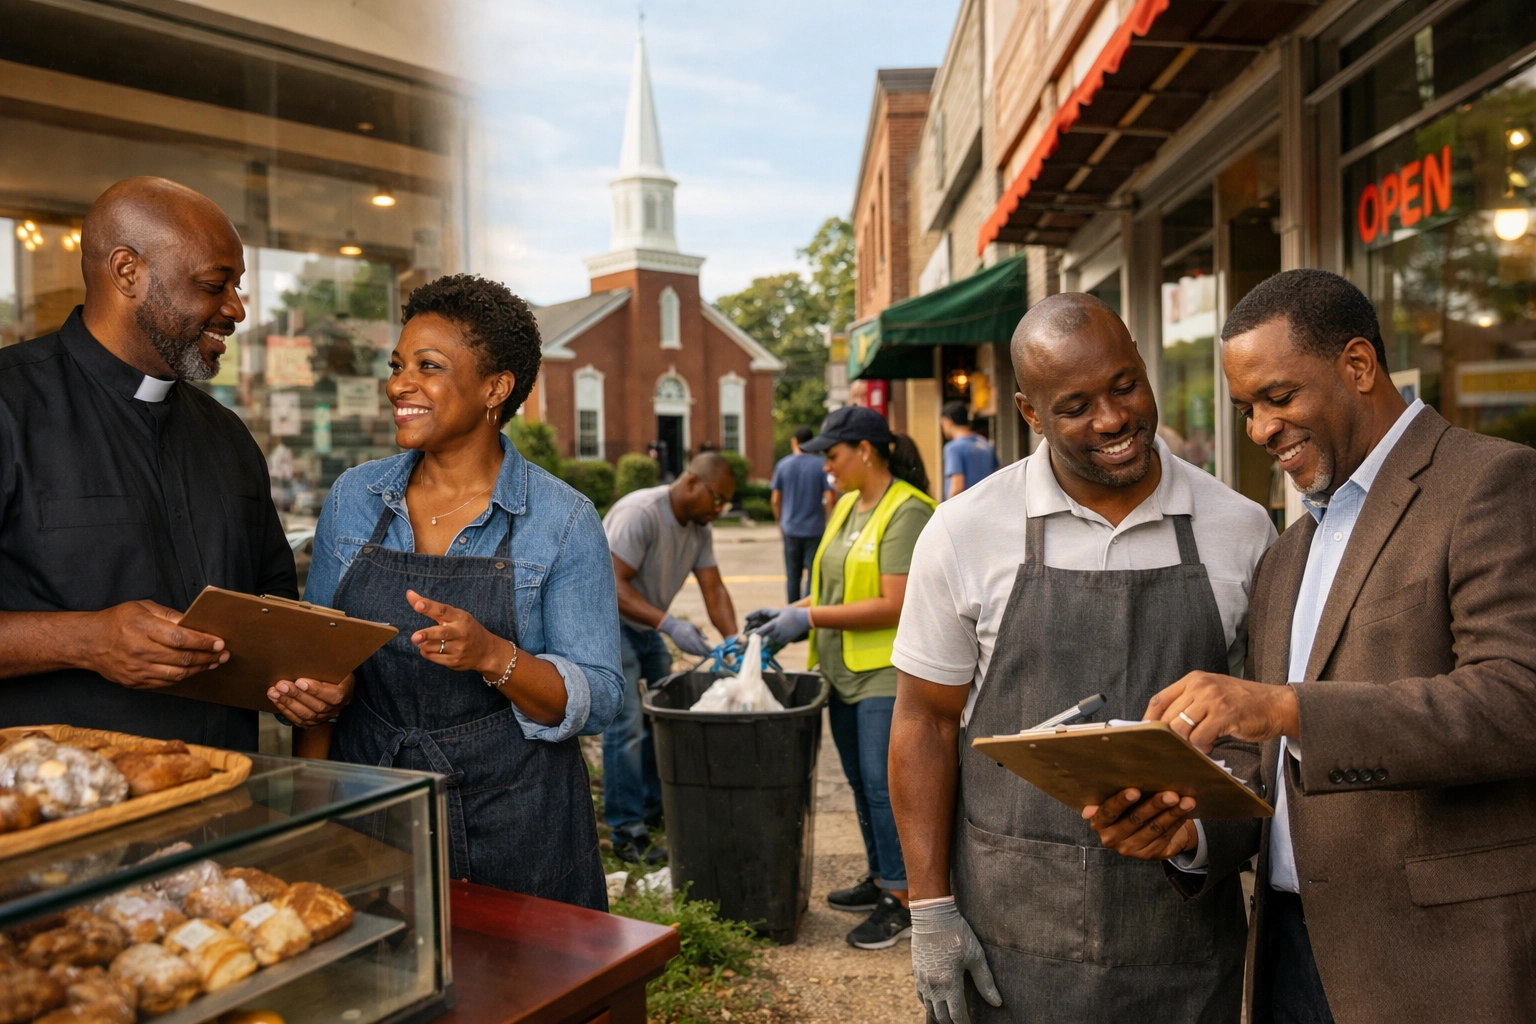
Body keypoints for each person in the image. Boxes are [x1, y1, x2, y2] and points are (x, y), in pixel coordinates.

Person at [1089, 270, 1536, 1024]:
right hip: (1289, 958)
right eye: (1246, 410)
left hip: (1441, 966)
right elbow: (1266, 764)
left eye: (1278, 397)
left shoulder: (1492, 482)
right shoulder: (1287, 552)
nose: (1260, 430)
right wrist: (1190, 830)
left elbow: (1518, 700)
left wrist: (1287, 707)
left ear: (1357, 365)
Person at [889, 293, 1275, 1024]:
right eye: (1075, 406)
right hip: (1012, 942)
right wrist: (930, 908)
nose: (1112, 419)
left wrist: (1206, 837)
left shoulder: (1240, 528)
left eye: (1125, 385)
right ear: (1030, 413)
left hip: (1183, 944)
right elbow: (924, 723)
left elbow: (1263, 738)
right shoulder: (965, 531)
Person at [298, 274, 624, 910]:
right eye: (397, 366)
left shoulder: (561, 520)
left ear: (495, 388)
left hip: (516, 820)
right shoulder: (354, 499)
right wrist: (312, 808)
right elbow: (319, 657)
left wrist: (493, 656)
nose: (400, 384)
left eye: (428, 366)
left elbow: (602, 696)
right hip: (371, 806)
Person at [0, 176, 342, 748]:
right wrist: (86, 641)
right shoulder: (9, 406)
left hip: (228, 788)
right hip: (57, 795)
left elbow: (274, 610)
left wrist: (308, 683)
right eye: (213, 285)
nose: (236, 309)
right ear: (127, 271)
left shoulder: (227, 435)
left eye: (237, 287)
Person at [751, 405, 935, 951]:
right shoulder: (850, 504)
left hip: (885, 674)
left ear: (866, 451)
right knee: (860, 784)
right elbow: (832, 590)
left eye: (832, 456)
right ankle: (882, 877)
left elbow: (895, 602)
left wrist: (806, 619)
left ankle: (903, 898)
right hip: (841, 670)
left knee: (886, 789)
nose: (826, 467)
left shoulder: (908, 511)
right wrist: (786, 614)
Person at [603, 452, 739, 863]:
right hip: (609, 623)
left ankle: (651, 808)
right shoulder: (641, 513)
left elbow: (713, 588)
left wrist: (735, 641)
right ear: (692, 481)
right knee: (627, 724)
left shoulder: (699, 527)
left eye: (726, 503)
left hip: (647, 627)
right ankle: (626, 831)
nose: (719, 510)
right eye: (717, 499)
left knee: (659, 715)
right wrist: (670, 624)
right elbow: (610, 582)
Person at [771, 425, 836, 602]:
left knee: (793, 576)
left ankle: (792, 611)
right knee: (813, 575)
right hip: (815, 529)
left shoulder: (783, 465)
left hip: (790, 528)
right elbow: (830, 498)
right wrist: (829, 522)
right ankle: (807, 611)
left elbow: (776, 499)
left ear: (794, 442)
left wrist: (780, 521)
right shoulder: (821, 465)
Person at [939, 401, 999, 499]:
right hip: (988, 502)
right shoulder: (985, 443)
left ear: (947, 421)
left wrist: (945, 506)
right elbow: (998, 474)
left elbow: (957, 487)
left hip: (966, 505)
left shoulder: (954, 448)